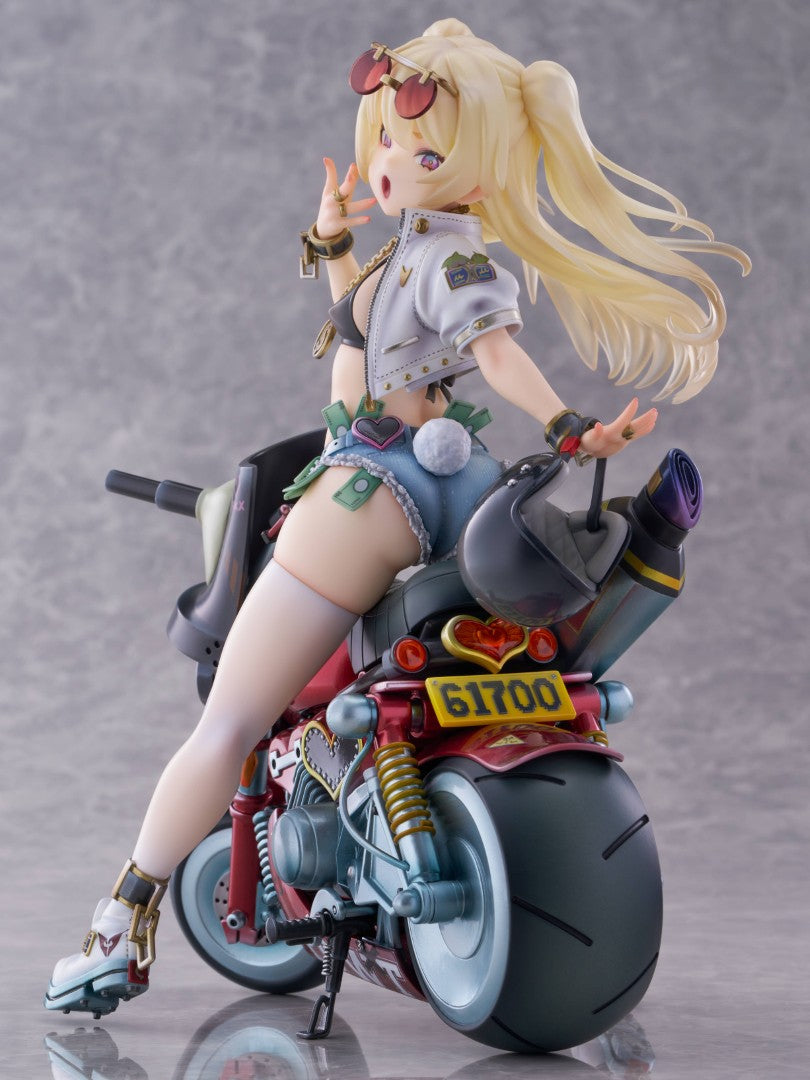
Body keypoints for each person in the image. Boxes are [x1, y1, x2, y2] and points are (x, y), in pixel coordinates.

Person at [45, 19, 748, 1015]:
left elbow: (495, 350)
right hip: (461, 485)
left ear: (480, 173)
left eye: (423, 152)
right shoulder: (412, 254)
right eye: (386, 138)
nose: (390, 162)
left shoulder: (453, 263)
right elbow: (368, 332)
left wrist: (564, 422)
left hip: (372, 489)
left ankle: (116, 929)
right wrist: (335, 242)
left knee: (228, 721)